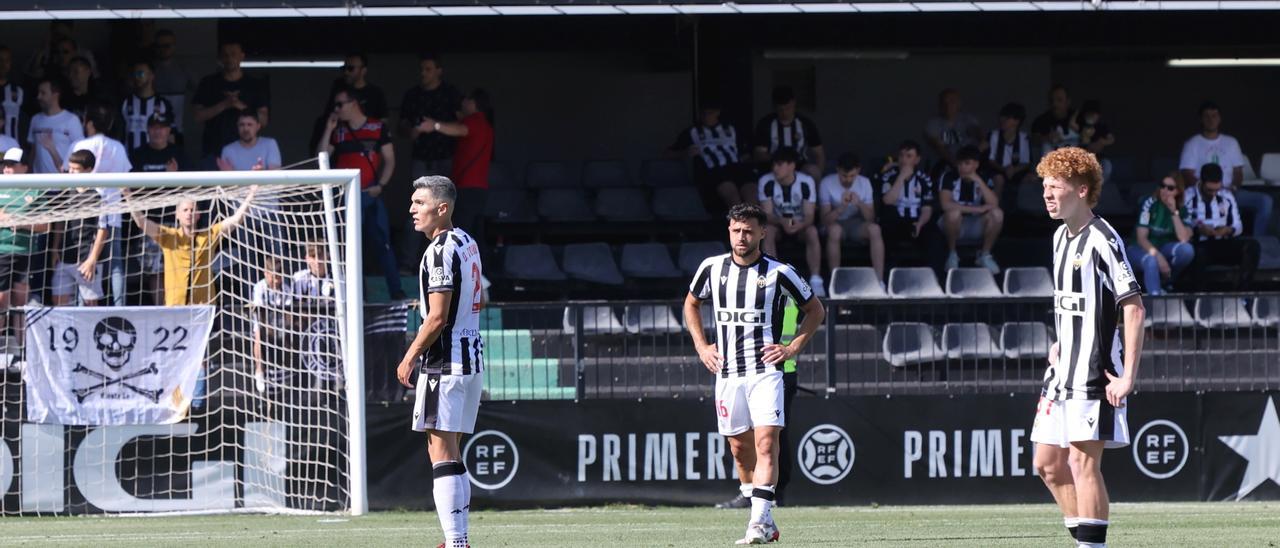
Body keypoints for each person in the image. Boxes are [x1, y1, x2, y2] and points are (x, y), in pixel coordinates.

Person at [684, 203, 825, 545]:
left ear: (763, 232)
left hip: (766, 373)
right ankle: (764, 516)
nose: (741, 236)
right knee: (738, 449)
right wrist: (703, 347)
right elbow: (691, 303)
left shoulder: (780, 272)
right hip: (728, 373)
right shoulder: (711, 268)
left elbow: (815, 310)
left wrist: (790, 348)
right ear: (729, 231)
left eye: (748, 230)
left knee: (766, 443)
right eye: (736, 230)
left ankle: (757, 524)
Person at [1033, 146, 1144, 548]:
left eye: (1055, 187)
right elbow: (1075, 300)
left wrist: (1128, 375)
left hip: (1095, 372)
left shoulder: (1103, 238)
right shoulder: (1061, 236)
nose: (1047, 194)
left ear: (1081, 190)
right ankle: (1084, 541)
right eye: (1044, 186)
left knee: (1082, 463)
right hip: (1061, 371)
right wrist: (1061, 341)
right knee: (1047, 465)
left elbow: (1132, 307)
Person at [394, 176, 486, 548]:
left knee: (440, 453)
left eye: (420, 202)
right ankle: (457, 540)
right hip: (471, 358)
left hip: (444, 363)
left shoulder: (438, 252)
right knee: (451, 450)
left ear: (442, 208)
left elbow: (436, 317)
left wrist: (409, 356)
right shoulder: (467, 240)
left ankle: (457, 542)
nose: (412, 209)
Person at [317, 86, 404, 300]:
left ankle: (396, 291)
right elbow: (321, 157)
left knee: (382, 244)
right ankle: (356, 295)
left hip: (370, 196)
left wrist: (381, 186)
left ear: (353, 103)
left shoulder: (377, 127)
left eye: (340, 104)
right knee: (347, 247)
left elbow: (390, 159)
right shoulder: (338, 130)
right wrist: (328, 129)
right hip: (344, 199)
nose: (336, 109)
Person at [124, 185, 257, 306]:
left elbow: (236, 219)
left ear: (198, 215)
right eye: (185, 210)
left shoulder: (209, 235)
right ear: (177, 215)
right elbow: (142, 223)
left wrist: (251, 193)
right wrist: (127, 195)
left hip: (203, 307)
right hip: (175, 306)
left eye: (192, 210)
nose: (189, 213)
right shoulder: (169, 236)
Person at [398, 53, 463, 271]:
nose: (423, 73)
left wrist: (435, 125)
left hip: (446, 160)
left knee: (446, 211)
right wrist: (413, 131)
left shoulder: (451, 94)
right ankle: (408, 264)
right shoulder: (413, 95)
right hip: (421, 160)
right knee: (417, 211)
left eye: (428, 69)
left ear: (438, 70)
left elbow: (464, 127)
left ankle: (448, 259)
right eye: (422, 69)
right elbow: (401, 127)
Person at [68, 104, 131, 306]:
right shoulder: (118, 147)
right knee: (115, 266)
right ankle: (119, 307)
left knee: (83, 262)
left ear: (90, 124)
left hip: (85, 215)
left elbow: (63, 172)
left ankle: (82, 310)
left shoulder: (80, 145)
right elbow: (126, 177)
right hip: (113, 212)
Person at [1179, 101, 1272, 237]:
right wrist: (1206, 190)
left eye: (1214, 116)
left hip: (1230, 192)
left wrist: (1233, 188)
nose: (1211, 120)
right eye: (1207, 116)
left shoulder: (1231, 142)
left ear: (1220, 119)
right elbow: (1187, 174)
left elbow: (1238, 172)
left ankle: (1258, 242)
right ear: (1201, 119)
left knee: (1265, 201)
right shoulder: (1192, 144)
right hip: (1203, 194)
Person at [432, 88, 494, 254]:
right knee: (475, 234)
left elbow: (460, 130)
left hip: (467, 187)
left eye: (466, 100)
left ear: (474, 103)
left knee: (461, 233)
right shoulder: (485, 124)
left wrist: (434, 125)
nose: (463, 103)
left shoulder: (474, 121)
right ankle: (482, 275)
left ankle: (465, 273)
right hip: (478, 188)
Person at [758, 147, 825, 296]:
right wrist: (782, 221)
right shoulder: (766, 181)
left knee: (812, 231)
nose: (775, 168)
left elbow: (809, 215)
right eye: (774, 165)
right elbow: (767, 214)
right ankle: (772, 277)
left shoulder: (806, 182)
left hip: (800, 225)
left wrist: (799, 224)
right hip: (777, 225)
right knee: (766, 231)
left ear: (792, 165)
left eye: (780, 164)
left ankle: (816, 279)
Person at [0, 148, 49, 345]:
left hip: (25, 252)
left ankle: (23, 352)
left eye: (12, 165)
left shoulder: (34, 189)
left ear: (25, 167)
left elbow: (45, 226)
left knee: (21, 302)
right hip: (1, 250)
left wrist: (19, 222)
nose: (7, 169)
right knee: (1, 300)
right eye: (5, 165)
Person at [1186, 163, 1260, 291]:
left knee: (1252, 246)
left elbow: (1238, 225)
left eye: (1217, 189)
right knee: (1198, 252)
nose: (1214, 193)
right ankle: (1199, 295)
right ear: (1202, 182)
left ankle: (1243, 292)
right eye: (1210, 190)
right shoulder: (1188, 196)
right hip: (1200, 244)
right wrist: (1198, 229)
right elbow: (1183, 222)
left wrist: (1228, 230)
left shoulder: (1227, 196)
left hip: (1223, 242)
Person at [193, 41, 270, 161]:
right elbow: (197, 116)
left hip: (247, 152)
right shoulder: (208, 83)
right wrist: (224, 104)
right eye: (225, 55)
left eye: (233, 54)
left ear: (242, 56)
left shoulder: (255, 85)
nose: (229, 58)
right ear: (220, 58)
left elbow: (263, 120)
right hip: (214, 152)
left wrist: (239, 105)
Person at [669, 100, 751, 212]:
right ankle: (741, 227)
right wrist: (685, 153)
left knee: (752, 195)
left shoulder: (731, 129)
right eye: (704, 113)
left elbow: (745, 154)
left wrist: (747, 159)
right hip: (714, 171)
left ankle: (755, 227)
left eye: (710, 112)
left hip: (737, 168)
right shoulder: (692, 132)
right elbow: (668, 153)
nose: (707, 116)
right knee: (733, 198)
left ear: (718, 112)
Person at [50, 150, 108, 306]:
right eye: (70, 168)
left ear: (88, 170)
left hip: (85, 259)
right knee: (59, 302)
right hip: (64, 257)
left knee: (90, 304)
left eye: (76, 169)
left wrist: (92, 259)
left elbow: (103, 230)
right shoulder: (66, 192)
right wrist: (55, 248)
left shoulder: (98, 195)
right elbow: (60, 222)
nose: (71, 172)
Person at [937, 146, 1003, 274]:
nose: (962, 167)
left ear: (976, 165)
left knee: (998, 214)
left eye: (967, 163)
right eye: (960, 163)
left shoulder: (983, 177)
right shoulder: (949, 176)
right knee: (953, 213)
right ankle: (952, 254)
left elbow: (994, 203)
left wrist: (978, 180)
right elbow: (945, 204)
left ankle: (985, 255)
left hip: (975, 224)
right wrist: (976, 209)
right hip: (953, 224)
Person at [819, 152, 884, 281]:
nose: (848, 179)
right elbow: (824, 220)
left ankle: (879, 280)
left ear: (858, 170)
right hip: (835, 224)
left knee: (875, 229)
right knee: (834, 231)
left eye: (852, 176)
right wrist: (841, 207)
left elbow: (871, 218)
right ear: (837, 170)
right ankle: (835, 280)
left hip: (856, 224)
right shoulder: (826, 183)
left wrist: (859, 203)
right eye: (844, 176)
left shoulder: (865, 183)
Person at [1127, 173, 1195, 296]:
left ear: (1178, 191)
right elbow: (1141, 239)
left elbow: (1184, 238)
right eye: (1162, 186)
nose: (1164, 190)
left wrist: (1174, 212)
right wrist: (1159, 257)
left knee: (1187, 250)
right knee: (1151, 260)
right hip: (1140, 249)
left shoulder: (1185, 207)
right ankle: (1156, 299)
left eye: (1170, 188)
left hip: (1164, 248)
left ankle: (1166, 282)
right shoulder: (1149, 202)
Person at [880, 140, 939, 261]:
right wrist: (901, 177)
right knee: (886, 223)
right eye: (901, 155)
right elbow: (887, 201)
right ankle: (887, 275)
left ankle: (933, 276)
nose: (903, 159)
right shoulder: (889, 176)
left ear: (917, 160)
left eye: (909, 156)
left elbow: (927, 208)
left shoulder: (924, 178)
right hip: (895, 221)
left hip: (916, 221)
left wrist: (920, 224)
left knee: (934, 235)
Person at [754, 86, 825, 181]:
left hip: (800, 166)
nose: (784, 113)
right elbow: (759, 154)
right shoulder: (765, 124)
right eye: (780, 109)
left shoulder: (806, 124)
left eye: (788, 108)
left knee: (813, 171)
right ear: (775, 107)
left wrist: (818, 174)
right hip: (773, 167)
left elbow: (819, 154)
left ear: (794, 102)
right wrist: (780, 161)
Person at [27, 76, 83, 174]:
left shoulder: (71, 120)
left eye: (43, 93)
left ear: (55, 95)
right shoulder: (35, 119)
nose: (38, 97)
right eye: (38, 93)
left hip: (62, 183)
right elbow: (33, 150)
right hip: (38, 184)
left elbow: (80, 152)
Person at [121, 59, 178, 151]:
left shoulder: (163, 104)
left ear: (151, 76)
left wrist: (169, 155)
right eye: (134, 74)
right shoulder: (126, 102)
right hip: (129, 159)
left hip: (154, 160)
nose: (137, 77)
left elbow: (171, 134)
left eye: (140, 73)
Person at [923, 88, 982, 177]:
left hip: (969, 167)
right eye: (944, 103)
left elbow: (981, 138)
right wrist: (957, 165)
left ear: (959, 103)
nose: (948, 106)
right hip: (943, 167)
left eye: (952, 101)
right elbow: (940, 149)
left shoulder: (968, 120)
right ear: (940, 105)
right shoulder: (933, 124)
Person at [984, 102, 1032, 202]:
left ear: (1017, 121)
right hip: (997, 170)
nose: (1002, 120)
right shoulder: (994, 135)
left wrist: (1014, 169)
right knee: (999, 179)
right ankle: (995, 211)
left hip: (1016, 171)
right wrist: (1004, 169)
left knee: (1033, 178)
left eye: (1007, 118)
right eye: (1002, 116)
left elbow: (1026, 162)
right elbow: (990, 160)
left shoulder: (1024, 138)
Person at [151, 29, 195, 134]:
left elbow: (197, 91)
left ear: (174, 46)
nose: (162, 49)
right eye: (159, 46)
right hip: (154, 127)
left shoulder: (184, 68)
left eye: (166, 46)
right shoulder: (150, 68)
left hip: (177, 127)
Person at [336, 52, 387, 119]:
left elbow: (383, 121)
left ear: (363, 71)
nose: (346, 72)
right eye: (343, 68)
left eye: (351, 68)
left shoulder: (376, 93)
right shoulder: (340, 91)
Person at [62, 56, 113, 121]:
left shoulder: (100, 97)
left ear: (88, 71)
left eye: (75, 71)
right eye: (69, 72)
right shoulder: (65, 99)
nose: (70, 76)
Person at [1031, 84, 1077, 155]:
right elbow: (1033, 140)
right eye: (1052, 100)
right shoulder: (1042, 120)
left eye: (1059, 100)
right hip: (1050, 162)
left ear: (1068, 101)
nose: (1054, 104)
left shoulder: (1077, 117)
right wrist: (1047, 138)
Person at [0, 45, 27, 143]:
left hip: (12, 147)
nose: (3, 64)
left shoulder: (18, 90)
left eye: (6, 60)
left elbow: (24, 120)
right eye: (0, 59)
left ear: (10, 63)